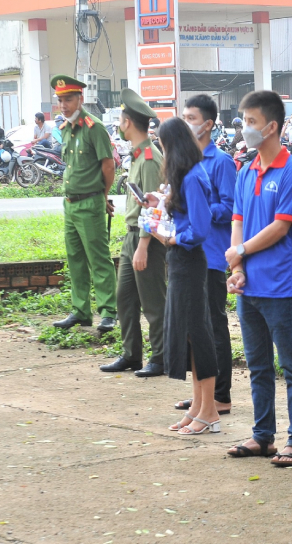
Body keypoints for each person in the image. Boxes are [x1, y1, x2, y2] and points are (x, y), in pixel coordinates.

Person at [224, 90, 292, 466]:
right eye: (244, 122)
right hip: (250, 287)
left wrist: (241, 253)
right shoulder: (245, 171)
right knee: (257, 366)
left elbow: (280, 227)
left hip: (279, 286)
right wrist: (238, 266)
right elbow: (237, 220)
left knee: (291, 366)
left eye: (251, 122)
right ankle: (263, 436)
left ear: (272, 126)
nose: (245, 129)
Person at [147, 116, 220, 435]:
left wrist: (174, 238)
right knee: (189, 336)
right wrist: (160, 204)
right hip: (179, 261)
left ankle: (210, 411)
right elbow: (185, 214)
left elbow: (199, 228)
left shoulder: (192, 176)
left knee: (198, 333)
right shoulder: (185, 175)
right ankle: (197, 406)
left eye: (162, 145)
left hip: (189, 260)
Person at [173, 94, 236, 412]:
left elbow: (229, 208)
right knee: (192, 327)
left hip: (210, 254)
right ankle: (202, 393)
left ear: (208, 124)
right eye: (183, 117)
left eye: (192, 118)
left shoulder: (220, 161)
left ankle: (220, 395)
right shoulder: (185, 161)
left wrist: (196, 205)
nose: (186, 124)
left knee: (213, 323)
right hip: (188, 252)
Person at [99, 88, 167, 376]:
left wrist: (142, 245)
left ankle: (162, 358)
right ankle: (131, 354)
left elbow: (152, 208)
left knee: (153, 302)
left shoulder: (150, 159)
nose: (118, 124)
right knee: (124, 298)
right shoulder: (139, 155)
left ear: (128, 122)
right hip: (132, 236)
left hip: (146, 239)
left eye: (120, 119)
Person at [50, 75, 118, 333]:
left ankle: (108, 312)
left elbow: (108, 164)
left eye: (68, 99)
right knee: (75, 258)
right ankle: (80, 311)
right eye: (60, 100)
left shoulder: (94, 127)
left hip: (90, 202)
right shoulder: (67, 128)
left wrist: (104, 194)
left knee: (98, 259)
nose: (63, 105)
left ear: (80, 98)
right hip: (70, 204)